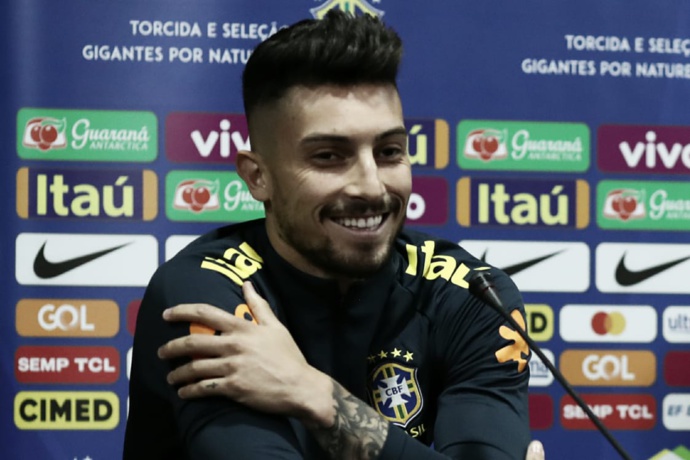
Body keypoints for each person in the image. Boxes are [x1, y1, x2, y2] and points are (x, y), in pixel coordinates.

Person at [124, 10, 544, 460]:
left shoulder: (472, 295)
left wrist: (318, 397)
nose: (371, 187)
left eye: (389, 151)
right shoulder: (204, 291)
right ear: (257, 176)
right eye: (328, 156)